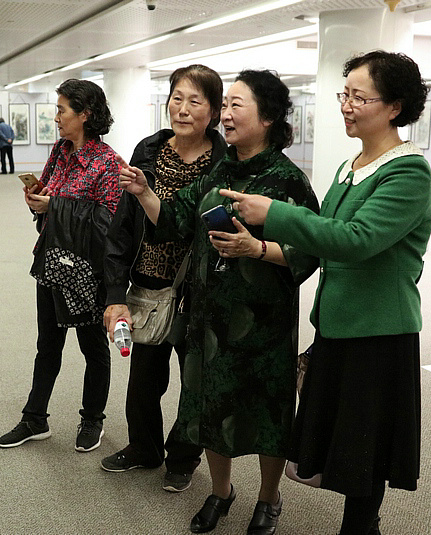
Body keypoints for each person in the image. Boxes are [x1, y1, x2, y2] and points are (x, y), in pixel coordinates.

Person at [222, 51, 431, 535]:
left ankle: (361, 527)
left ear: (395, 106)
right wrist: (259, 248)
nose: (347, 105)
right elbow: (317, 246)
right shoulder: (351, 165)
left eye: (360, 97)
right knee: (344, 445)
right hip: (338, 324)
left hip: (377, 332)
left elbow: (355, 241)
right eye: (346, 94)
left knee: (366, 450)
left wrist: (273, 213)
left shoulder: (407, 173)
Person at [118, 70, 318, 535]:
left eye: (236, 106)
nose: (224, 115)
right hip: (208, 320)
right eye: (224, 106)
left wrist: (258, 250)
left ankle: (269, 498)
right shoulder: (220, 168)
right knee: (211, 405)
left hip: (263, 323)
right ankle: (221, 490)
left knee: (267, 413)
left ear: (267, 117)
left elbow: (311, 249)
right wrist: (145, 191)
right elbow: (177, 218)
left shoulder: (287, 179)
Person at [101, 64, 226, 493]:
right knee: (143, 384)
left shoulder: (224, 162)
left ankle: (184, 458)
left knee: (195, 386)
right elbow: (121, 227)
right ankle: (144, 448)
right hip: (149, 287)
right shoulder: (150, 151)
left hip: (198, 293)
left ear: (213, 111)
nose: (183, 109)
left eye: (195, 101)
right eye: (177, 98)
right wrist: (115, 293)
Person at [0, 79, 121, 453]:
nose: (56, 117)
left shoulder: (107, 163)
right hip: (52, 259)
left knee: (92, 347)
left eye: (62, 109)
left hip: (85, 270)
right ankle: (35, 417)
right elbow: (49, 194)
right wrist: (36, 199)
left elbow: (107, 222)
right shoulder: (60, 151)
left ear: (85, 115)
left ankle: (92, 420)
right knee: (47, 344)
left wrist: (56, 207)